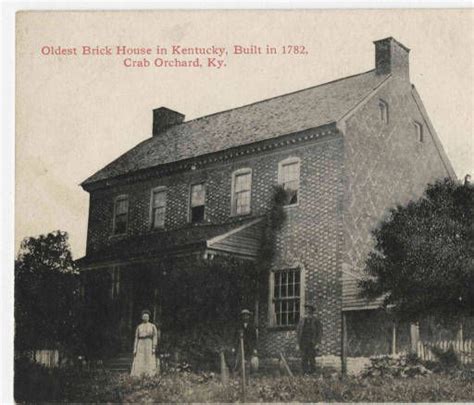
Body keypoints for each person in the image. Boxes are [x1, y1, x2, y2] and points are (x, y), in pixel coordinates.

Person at [130, 309, 160, 377]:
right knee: (140, 358)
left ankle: (149, 374)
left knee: (149, 358)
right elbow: (136, 338)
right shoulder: (139, 327)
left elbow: (155, 337)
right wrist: (135, 348)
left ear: (149, 317)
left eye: (147, 316)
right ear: (142, 317)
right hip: (140, 344)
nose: (145, 318)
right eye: (144, 316)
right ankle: (139, 375)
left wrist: (153, 347)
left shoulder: (152, 326)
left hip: (149, 343)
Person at [296, 304, 322, 374]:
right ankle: (304, 372)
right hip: (303, 342)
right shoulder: (301, 321)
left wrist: (318, 343)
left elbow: (319, 332)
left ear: (312, 312)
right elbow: (298, 332)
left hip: (312, 342)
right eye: (306, 310)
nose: (307, 312)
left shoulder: (316, 320)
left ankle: (313, 372)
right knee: (304, 358)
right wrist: (298, 344)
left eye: (309, 311)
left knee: (311, 358)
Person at [233, 309, 258, 373]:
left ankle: (247, 372)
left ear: (249, 317)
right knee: (239, 359)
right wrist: (234, 347)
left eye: (247, 316)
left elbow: (254, 338)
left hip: (249, 346)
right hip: (241, 346)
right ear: (242, 317)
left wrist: (255, 348)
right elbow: (235, 337)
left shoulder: (252, 326)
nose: (245, 317)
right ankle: (239, 372)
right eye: (243, 316)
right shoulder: (239, 326)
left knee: (248, 360)